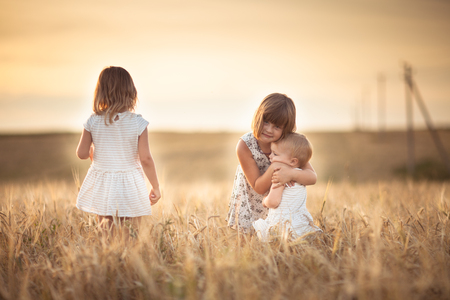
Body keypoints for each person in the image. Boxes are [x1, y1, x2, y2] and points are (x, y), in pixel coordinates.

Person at [76, 66, 161, 239]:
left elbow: (82, 153)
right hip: (129, 181)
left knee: (105, 227)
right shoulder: (137, 123)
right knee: (132, 230)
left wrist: (92, 151)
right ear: (130, 91)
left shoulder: (93, 121)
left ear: (100, 91)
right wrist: (156, 186)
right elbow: (145, 158)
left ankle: (109, 260)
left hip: (103, 181)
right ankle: (129, 259)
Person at [227, 93, 317, 233]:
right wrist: (274, 167)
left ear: (286, 128)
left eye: (277, 126)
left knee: (278, 239)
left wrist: (291, 173)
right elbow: (258, 187)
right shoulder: (245, 145)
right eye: (266, 122)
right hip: (252, 200)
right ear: (258, 116)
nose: (269, 129)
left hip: (279, 203)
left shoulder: (288, 145)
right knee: (251, 241)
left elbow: (312, 177)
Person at [253, 133, 322, 241]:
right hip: (299, 223)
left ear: (293, 161)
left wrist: (264, 200)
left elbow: (273, 202)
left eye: (275, 154)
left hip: (282, 224)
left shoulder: (280, 174)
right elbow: (312, 178)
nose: (270, 156)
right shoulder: (301, 174)